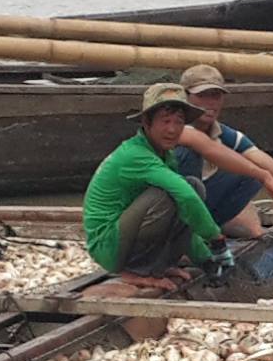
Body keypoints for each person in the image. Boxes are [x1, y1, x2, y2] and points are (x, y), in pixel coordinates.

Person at [174, 64, 273, 258]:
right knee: (193, 162)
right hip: (165, 215)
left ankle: (204, 234)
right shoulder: (173, 129)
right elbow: (208, 148)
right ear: (184, 97)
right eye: (202, 96)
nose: (210, 103)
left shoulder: (226, 135)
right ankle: (182, 242)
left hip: (197, 210)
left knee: (255, 169)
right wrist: (264, 176)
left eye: (216, 96)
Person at [81, 84, 230, 288]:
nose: (172, 129)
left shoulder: (164, 154)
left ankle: (160, 264)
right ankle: (136, 270)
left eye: (178, 122)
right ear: (146, 122)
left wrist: (205, 260)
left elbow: (185, 210)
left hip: (126, 234)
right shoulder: (135, 154)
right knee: (171, 195)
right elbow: (184, 196)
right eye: (165, 121)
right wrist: (216, 239)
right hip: (109, 245)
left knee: (194, 185)